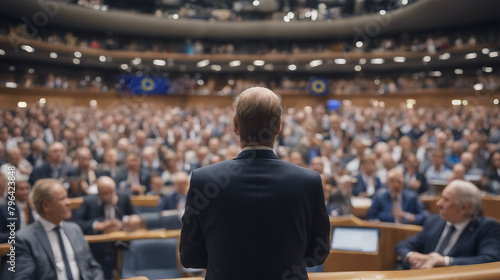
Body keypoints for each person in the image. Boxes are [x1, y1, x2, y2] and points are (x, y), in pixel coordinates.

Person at [180, 87, 330, 280]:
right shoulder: (309, 181)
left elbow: (190, 256)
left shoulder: (203, 179)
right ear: (279, 126)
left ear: (235, 124)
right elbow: (319, 252)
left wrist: (225, 261)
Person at [395, 180, 500, 269]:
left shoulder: (487, 227)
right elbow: (403, 245)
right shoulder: (434, 221)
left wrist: (445, 261)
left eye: (446, 199)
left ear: (464, 208)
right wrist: (411, 256)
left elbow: (490, 260)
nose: (438, 204)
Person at [15, 179, 104, 280]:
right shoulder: (25, 238)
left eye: (67, 197)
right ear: (46, 206)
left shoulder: (75, 229)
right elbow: (23, 277)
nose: (68, 202)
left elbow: (93, 268)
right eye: (62, 199)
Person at [72, 176, 138, 280]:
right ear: (98, 191)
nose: (109, 196)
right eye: (105, 193)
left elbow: (134, 217)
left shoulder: (123, 197)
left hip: (121, 245)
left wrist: (123, 224)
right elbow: (75, 224)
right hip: (97, 247)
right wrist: (97, 225)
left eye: (111, 191)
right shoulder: (88, 201)